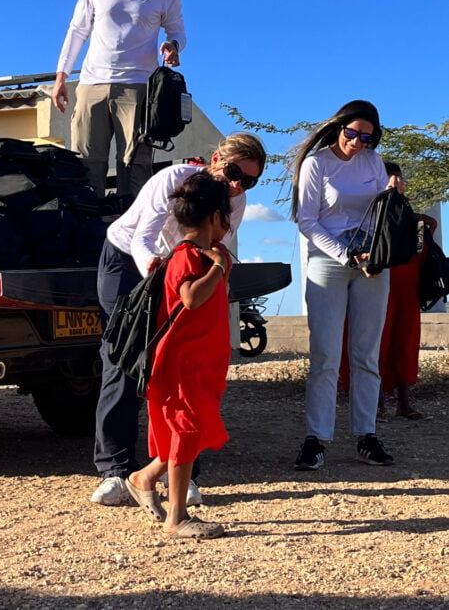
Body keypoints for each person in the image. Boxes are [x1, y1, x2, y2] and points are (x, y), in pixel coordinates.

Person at [92, 133, 266, 506]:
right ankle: (115, 469)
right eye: (234, 172)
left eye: (247, 181)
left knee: (178, 371)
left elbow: (216, 247)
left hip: (180, 269)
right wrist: (158, 280)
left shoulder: (236, 201)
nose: (237, 185)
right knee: (124, 361)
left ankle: (179, 474)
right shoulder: (173, 180)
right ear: (217, 158)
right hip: (130, 261)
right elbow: (144, 239)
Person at [292, 100, 399, 471]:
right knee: (325, 353)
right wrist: (345, 254)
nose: (357, 143)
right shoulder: (317, 163)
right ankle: (316, 438)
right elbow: (307, 221)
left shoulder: (373, 160)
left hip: (372, 260)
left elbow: (380, 210)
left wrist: (393, 190)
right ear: (338, 128)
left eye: (366, 138)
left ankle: (366, 435)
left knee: (366, 353)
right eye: (351, 134)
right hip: (328, 260)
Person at [125, 171, 232, 539]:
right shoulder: (185, 256)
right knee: (186, 428)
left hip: (203, 361)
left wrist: (219, 263)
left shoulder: (209, 255)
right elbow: (190, 298)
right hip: (182, 361)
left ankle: (144, 477)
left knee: (192, 429)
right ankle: (177, 517)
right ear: (216, 216)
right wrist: (216, 266)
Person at [52, 0, 186, 202]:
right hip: (92, 84)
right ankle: (87, 237)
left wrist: (173, 46)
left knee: (135, 167)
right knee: (87, 164)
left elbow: (177, 30)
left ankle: (131, 238)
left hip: (138, 87)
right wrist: (61, 76)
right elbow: (77, 30)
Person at [340, 162, 435, 420]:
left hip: (407, 286)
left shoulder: (414, 219)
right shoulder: (367, 216)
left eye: (397, 181)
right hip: (376, 281)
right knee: (375, 342)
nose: (394, 186)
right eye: (389, 181)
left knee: (405, 342)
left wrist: (427, 225)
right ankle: (376, 403)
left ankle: (403, 403)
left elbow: (420, 251)